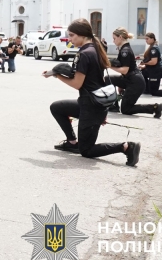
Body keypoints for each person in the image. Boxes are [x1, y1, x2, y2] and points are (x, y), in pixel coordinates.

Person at [44, 19, 142, 166]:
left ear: (82, 35)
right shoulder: (95, 49)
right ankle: (72, 142)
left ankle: (126, 147)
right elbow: (102, 82)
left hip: (91, 107)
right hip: (92, 104)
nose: (70, 39)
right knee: (57, 107)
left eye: (72, 35)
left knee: (86, 150)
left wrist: (57, 75)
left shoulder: (84, 54)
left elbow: (77, 84)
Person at [108, 27, 162, 118]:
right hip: (129, 79)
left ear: (120, 37)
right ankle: (114, 104)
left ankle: (154, 107)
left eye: (114, 38)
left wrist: (109, 66)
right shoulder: (123, 48)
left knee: (126, 109)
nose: (113, 41)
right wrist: (120, 84)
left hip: (135, 83)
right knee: (107, 79)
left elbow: (125, 70)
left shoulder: (125, 51)